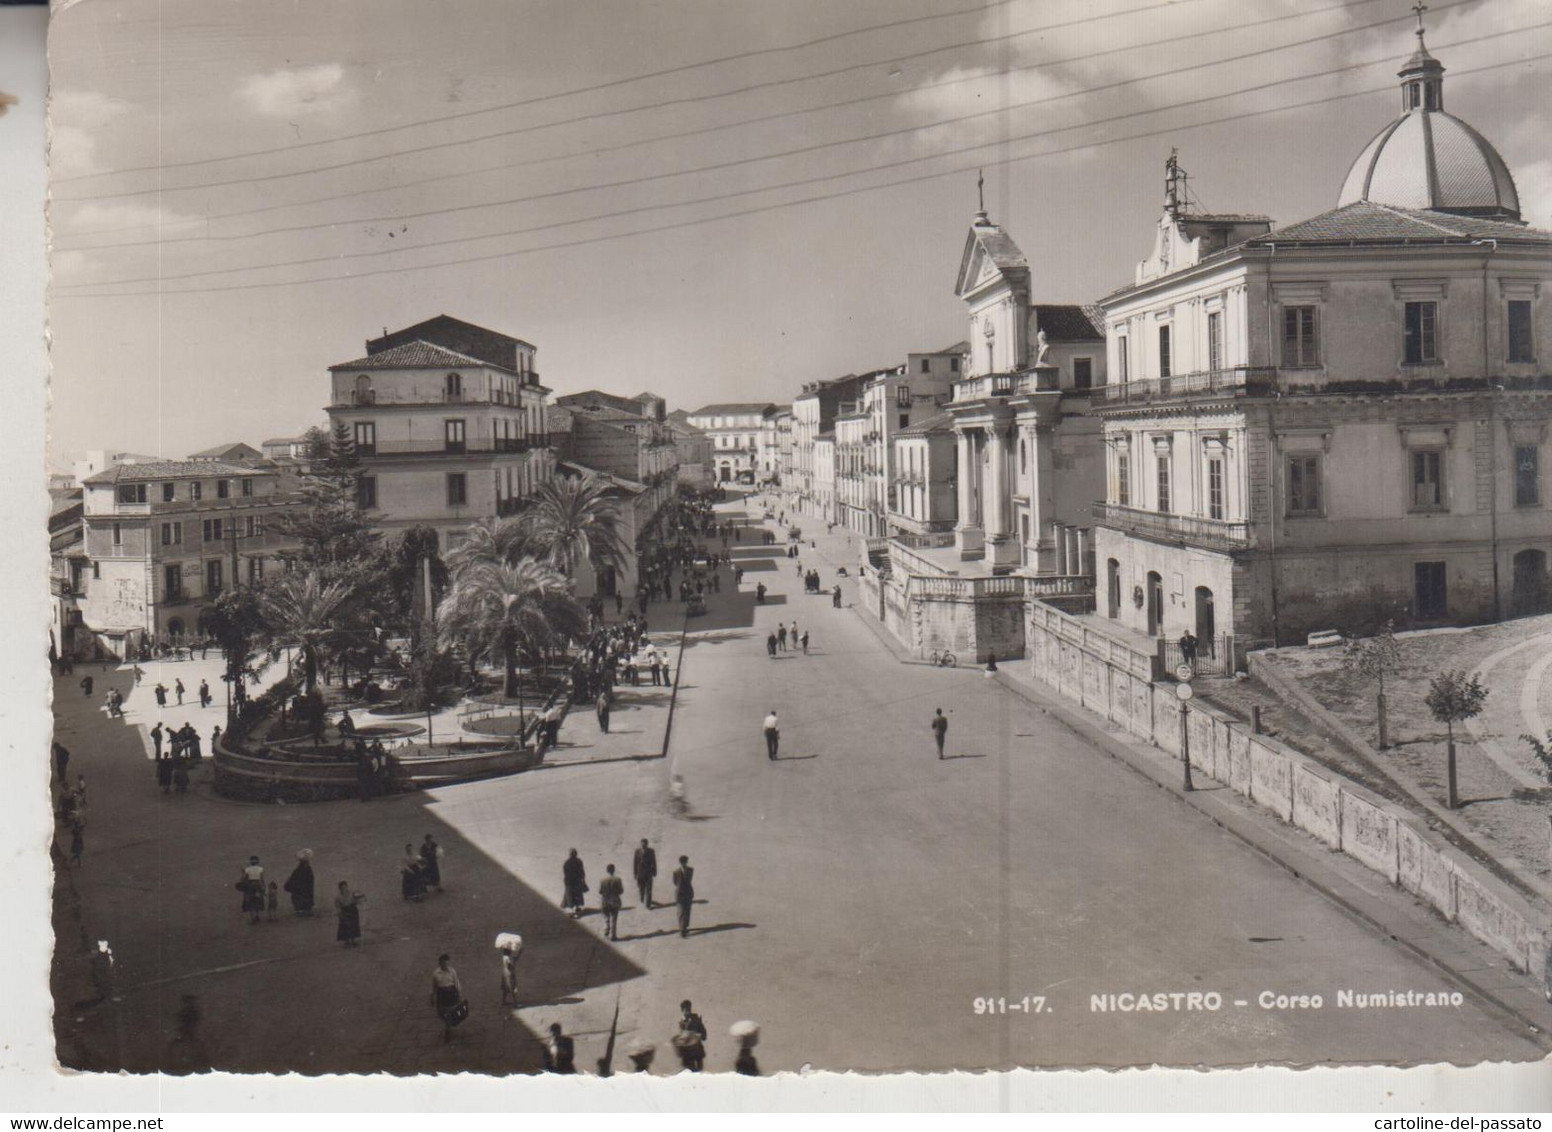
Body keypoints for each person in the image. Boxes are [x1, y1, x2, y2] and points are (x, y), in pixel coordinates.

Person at [430, 954, 464, 1043]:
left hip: (451, 993)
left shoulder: (452, 971)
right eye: (443, 963)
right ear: (440, 963)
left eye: (447, 963)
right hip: (441, 995)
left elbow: (456, 983)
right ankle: (448, 1024)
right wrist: (432, 997)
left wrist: (459, 994)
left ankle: (447, 1030)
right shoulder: (436, 974)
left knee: (450, 1012)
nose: (445, 965)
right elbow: (433, 986)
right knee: (441, 1013)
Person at [674, 1000, 707, 1071]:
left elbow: (703, 1034)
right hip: (686, 1052)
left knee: (697, 1072)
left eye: (688, 1009)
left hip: (696, 1051)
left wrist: (698, 1035)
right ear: (682, 1010)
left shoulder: (696, 1019)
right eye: (685, 1010)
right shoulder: (681, 1022)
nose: (687, 1012)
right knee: (689, 1071)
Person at [284, 850, 315, 915]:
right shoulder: (307, 870)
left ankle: (301, 909)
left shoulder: (298, 870)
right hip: (304, 890)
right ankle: (304, 909)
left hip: (299, 891)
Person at [599, 864, 624, 941]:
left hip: (605, 900)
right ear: (614, 870)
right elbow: (621, 891)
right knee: (614, 917)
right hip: (615, 900)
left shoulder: (602, 880)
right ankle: (613, 935)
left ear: (607, 870)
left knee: (606, 916)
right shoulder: (618, 879)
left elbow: (600, 891)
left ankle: (606, 928)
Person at [672, 855, 695, 937]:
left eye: (685, 862)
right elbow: (675, 882)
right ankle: (682, 930)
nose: (684, 864)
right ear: (680, 863)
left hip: (688, 893)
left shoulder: (691, 870)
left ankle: (685, 926)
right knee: (681, 912)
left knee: (687, 911)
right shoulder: (676, 872)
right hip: (680, 894)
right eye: (682, 862)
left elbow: (689, 880)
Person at [498, 934, 524, 1006]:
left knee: (505, 989)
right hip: (509, 975)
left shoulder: (505, 957)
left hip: (505, 975)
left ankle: (504, 1001)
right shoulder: (507, 958)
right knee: (513, 989)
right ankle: (515, 1003)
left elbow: (515, 959)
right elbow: (511, 964)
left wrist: (520, 952)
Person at [335, 882, 363, 947]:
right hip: (344, 911)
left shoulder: (352, 893)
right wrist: (339, 914)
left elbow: (358, 899)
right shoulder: (338, 897)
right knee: (345, 926)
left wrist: (360, 899)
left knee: (354, 925)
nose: (344, 889)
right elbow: (337, 906)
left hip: (353, 910)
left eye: (345, 887)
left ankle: (353, 940)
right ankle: (346, 941)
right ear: (340, 889)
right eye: (342, 888)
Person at [562, 849, 587, 918]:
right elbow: (582, 872)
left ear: (570, 854)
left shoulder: (567, 862)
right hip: (577, 882)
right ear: (576, 854)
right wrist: (583, 880)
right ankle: (576, 910)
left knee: (570, 897)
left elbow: (565, 872)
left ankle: (571, 911)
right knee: (577, 896)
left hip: (569, 882)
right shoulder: (579, 862)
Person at [239, 856, 265, 924]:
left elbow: (243, 878)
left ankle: (252, 918)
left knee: (250, 903)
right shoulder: (260, 869)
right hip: (257, 885)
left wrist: (242, 872)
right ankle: (257, 915)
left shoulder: (247, 869)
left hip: (250, 886)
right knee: (258, 901)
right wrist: (263, 888)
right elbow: (262, 879)